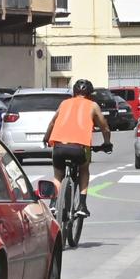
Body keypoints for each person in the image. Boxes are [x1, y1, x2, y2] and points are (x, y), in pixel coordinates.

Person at [44, 80, 108, 214]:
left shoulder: (64, 103)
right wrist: (107, 142)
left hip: (59, 146)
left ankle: (53, 203)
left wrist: (46, 138)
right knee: (84, 169)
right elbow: (104, 127)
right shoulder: (93, 105)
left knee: (57, 176)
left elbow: (52, 123)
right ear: (90, 94)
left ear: (74, 92)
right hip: (79, 148)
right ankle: (82, 206)